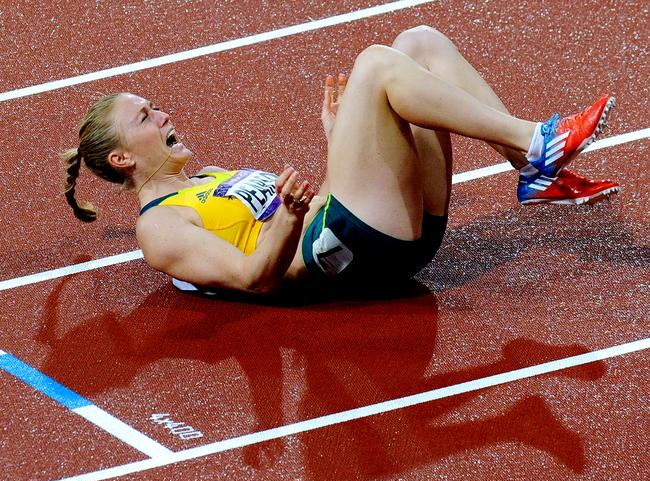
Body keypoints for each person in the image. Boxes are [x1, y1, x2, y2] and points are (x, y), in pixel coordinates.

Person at [62, 26, 618, 295]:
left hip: (369, 232)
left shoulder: (209, 179)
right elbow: (254, 278)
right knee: (375, 65)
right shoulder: (159, 227)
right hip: (345, 260)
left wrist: (342, 146)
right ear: (121, 158)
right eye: (145, 118)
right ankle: (533, 144)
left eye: (155, 107)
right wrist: (286, 218)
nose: (162, 116)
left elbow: (317, 202)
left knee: (417, 43)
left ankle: (531, 167)